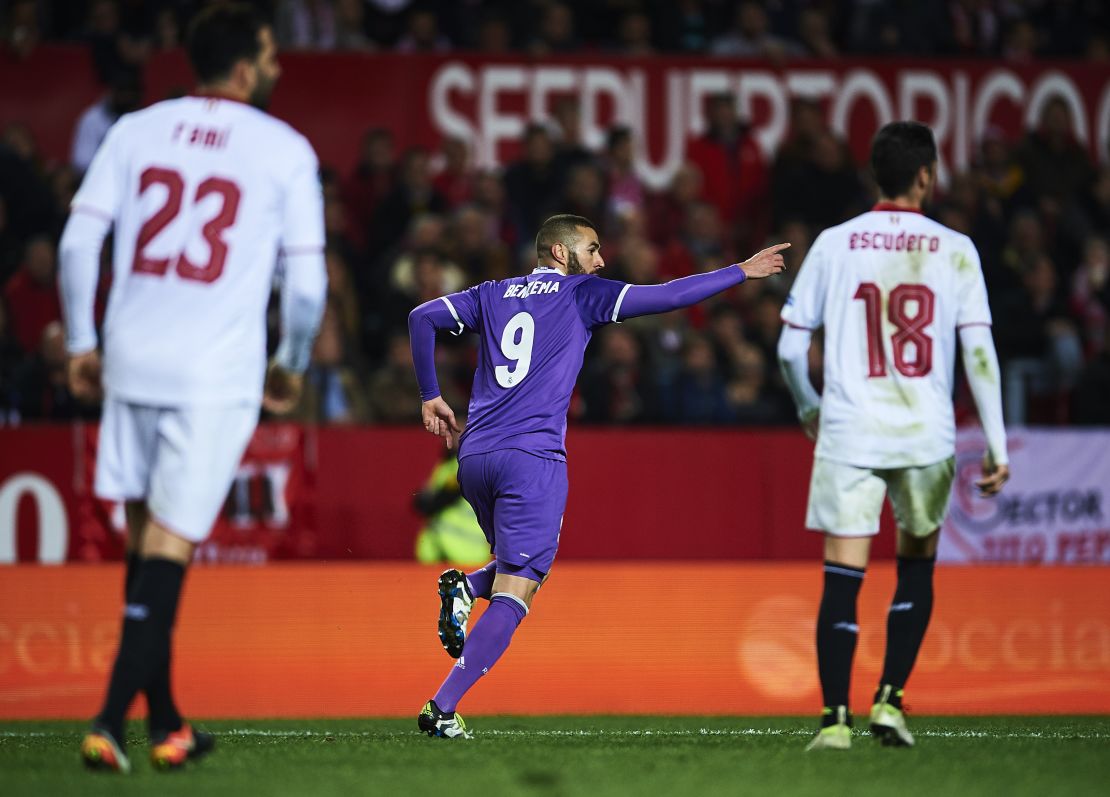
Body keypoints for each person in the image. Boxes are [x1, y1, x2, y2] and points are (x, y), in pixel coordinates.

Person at [58, 5, 326, 773]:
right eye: (271, 56)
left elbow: (80, 239)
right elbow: (305, 286)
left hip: (131, 358)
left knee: (146, 545)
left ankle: (168, 721)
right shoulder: (285, 150)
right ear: (244, 67)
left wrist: (82, 340)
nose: (276, 67)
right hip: (213, 372)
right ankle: (109, 720)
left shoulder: (136, 127)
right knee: (170, 546)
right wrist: (292, 361)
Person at [408, 213, 787, 738]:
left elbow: (422, 317)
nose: (602, 260)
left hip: (473, 457)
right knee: (518, 589)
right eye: (593, 249)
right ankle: (443, 707)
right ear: (561, 254)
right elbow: (668, 296)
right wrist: (739, 273)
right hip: (532, 458)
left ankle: (467, 589)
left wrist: (431, 394)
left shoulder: (491, 293)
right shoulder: (581, 294)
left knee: (517, 568)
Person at [776, 122, 1009, 751]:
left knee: (841, 577)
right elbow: (979, 350)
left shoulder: (834, 243)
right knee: (916, 567)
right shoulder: (956, 247)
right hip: (923, 437)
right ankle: (891, 702)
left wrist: (808, 408)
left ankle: (833, 722)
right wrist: (997, 442)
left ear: (875, 175)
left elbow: (792, 348)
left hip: (850, 431)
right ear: (926, 175)